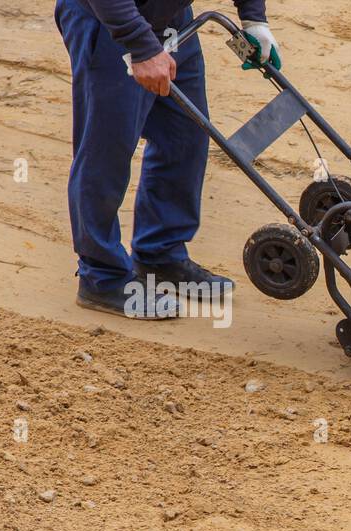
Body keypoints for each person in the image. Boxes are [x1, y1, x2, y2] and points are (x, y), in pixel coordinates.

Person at [54, 1, 281, 318]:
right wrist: (141, 46)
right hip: (109, 21)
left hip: (171, 18)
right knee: (107, 149)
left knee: (185, 135)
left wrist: (253, 18)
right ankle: (101, 277)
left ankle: (159, 254)